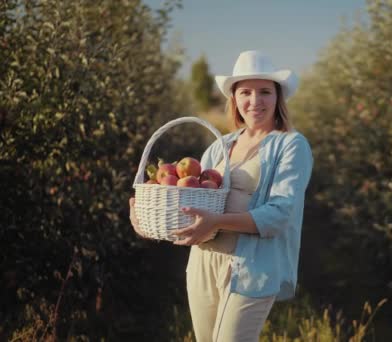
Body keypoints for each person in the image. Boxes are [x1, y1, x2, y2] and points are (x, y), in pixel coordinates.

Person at [129, 50, 313, 341]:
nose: (255, 101)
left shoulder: (291, 145)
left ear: (278, 97)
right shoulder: (219, 147)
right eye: (246, 93)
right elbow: (189, 202)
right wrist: (145, 218)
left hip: (253, 267)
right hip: (204, 263)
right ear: (235, 99)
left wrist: (216, 222)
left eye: (265, 92)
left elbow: (280, 214)